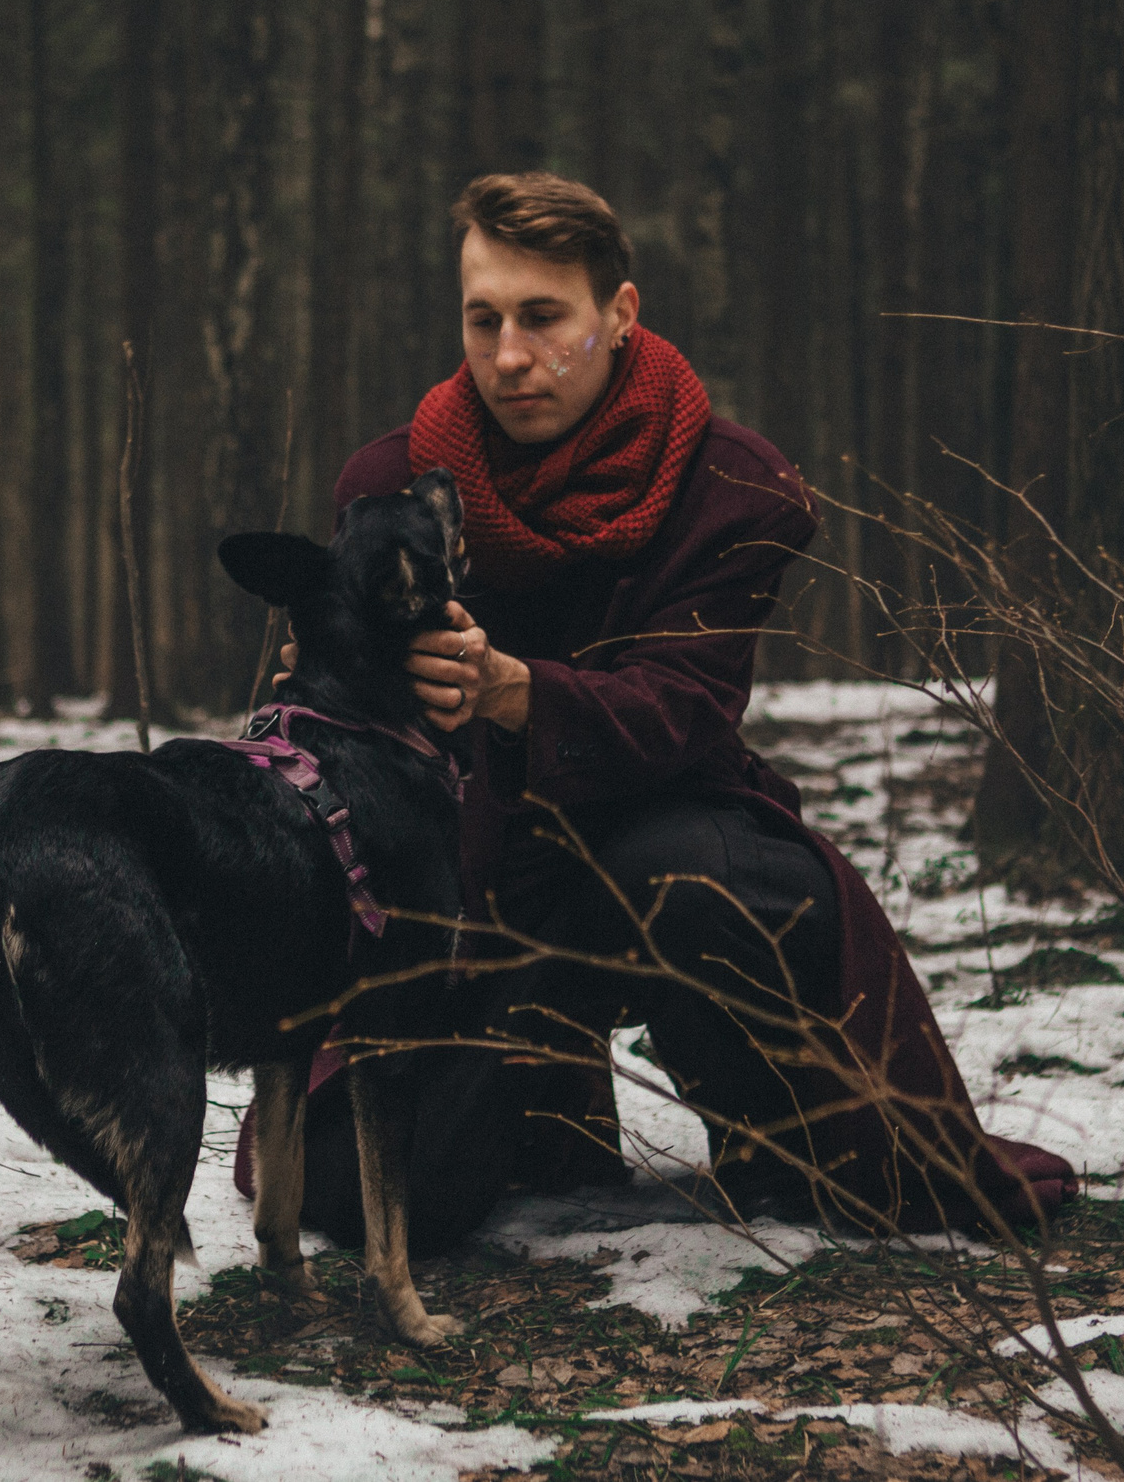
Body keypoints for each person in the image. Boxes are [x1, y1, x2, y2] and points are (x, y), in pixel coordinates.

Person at [241, 171, 1075, 1251]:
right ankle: (533, 1122)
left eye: (543, 318)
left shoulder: (733, 484)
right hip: (468, 886)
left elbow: (685, 707)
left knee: (716, 878)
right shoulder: (391, 480)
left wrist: (514, 691)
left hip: (655, 835)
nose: (507, 355)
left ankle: (778, 1143)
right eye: (482, 319)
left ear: (618, 317)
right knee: (369, 1198)